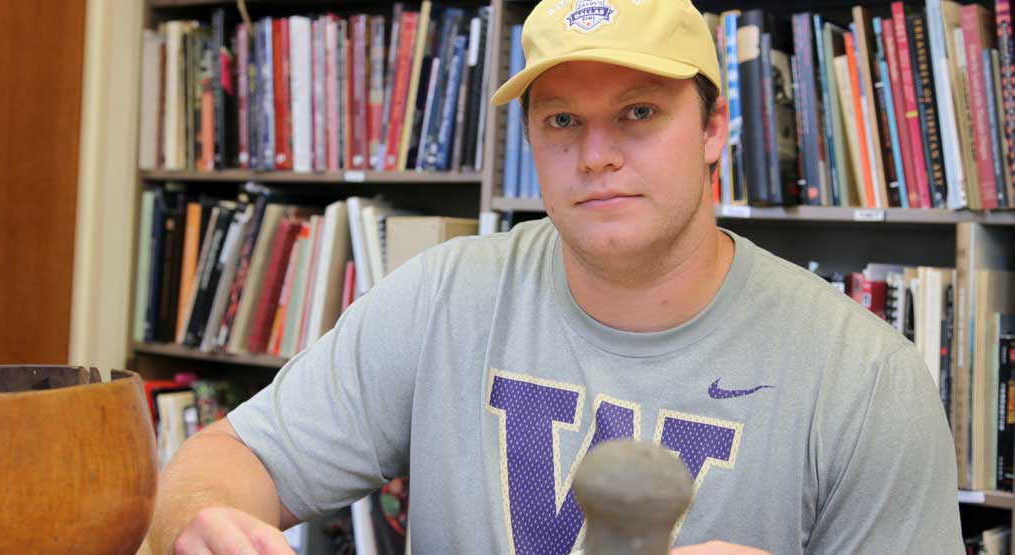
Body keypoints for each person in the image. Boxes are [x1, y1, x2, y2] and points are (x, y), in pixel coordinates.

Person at [147, 0, 963, 553]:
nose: (596, 153)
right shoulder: (443, 297)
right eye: (562, 119)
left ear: (716, 126)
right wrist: (208, 520)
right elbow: (229, 457)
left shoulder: (865, 378)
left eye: (639, 112)